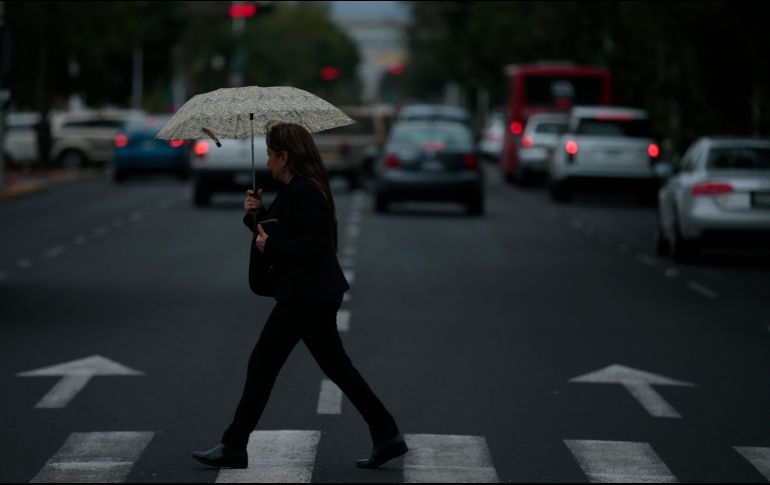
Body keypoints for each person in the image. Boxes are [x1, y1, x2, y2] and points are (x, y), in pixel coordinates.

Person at [192, 123, 407, 470]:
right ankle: (387, 434)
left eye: (269, 154)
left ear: (284, 157)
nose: (267, 160)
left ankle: (234, 445)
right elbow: (279, 231)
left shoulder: (305, 191)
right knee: (336, 367)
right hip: (310, 293)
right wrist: (256, 216)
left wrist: (271, 245)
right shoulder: (295, 189)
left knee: (263, 365)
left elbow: (314, 245)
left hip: (306, 295)